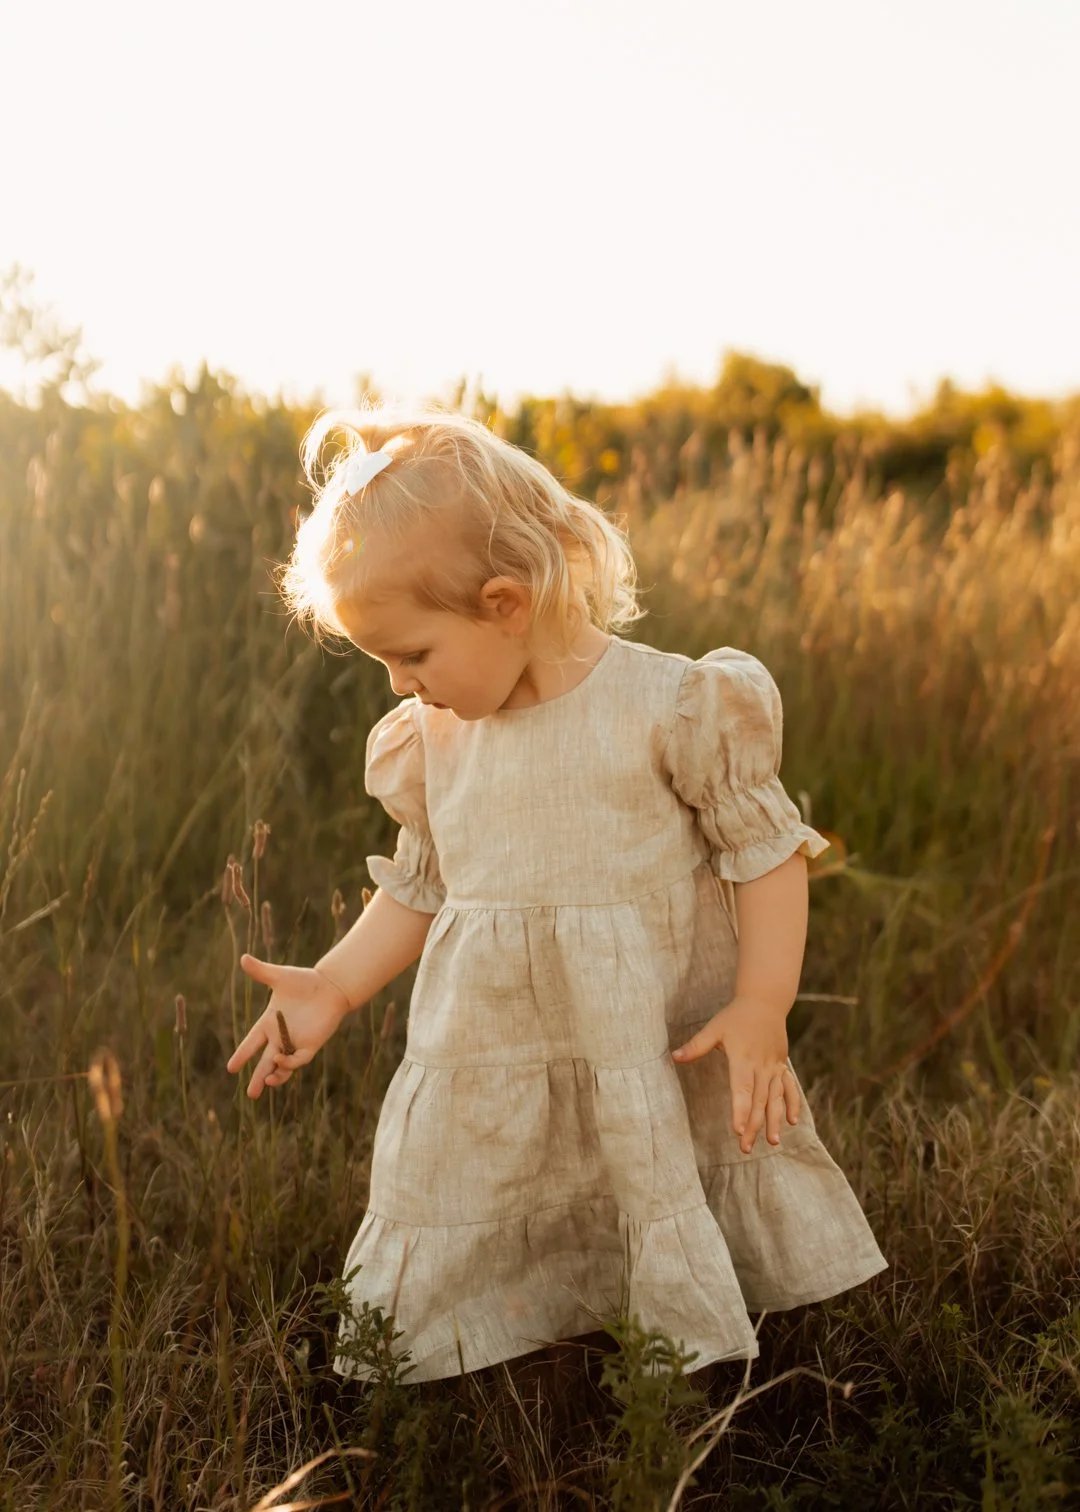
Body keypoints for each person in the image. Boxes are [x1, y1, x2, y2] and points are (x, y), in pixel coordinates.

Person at [225, 401, 888, 1387]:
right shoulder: (435, 740)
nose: (400, 685)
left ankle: (677, 1358)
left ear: (505, 603)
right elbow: (424, 886)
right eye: (386, 664)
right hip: (497, 1042)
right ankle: (501, 1348)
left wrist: (762, 1003)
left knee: (643, 1166)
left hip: (642, 1033)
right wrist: (334, 984)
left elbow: (764, 851)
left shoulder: (668, 705)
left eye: (413, 655)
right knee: (480, 1181)